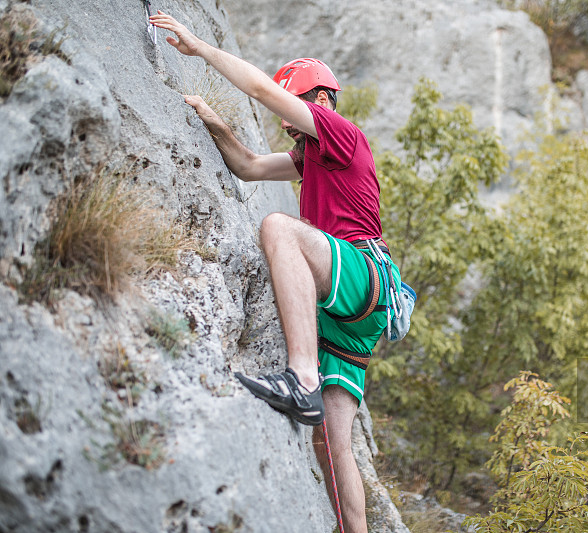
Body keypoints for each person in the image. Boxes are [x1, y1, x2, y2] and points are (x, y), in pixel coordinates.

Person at [149, 12, 401, 533]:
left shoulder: (341, 133)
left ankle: (301, 376)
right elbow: (248, 167)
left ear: (323, 101)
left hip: (361, 271)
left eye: (301, 109)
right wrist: (216, 125)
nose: (295, 124)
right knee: (332, 440)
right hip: (357, 307)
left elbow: (263, 90)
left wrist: (200, 49)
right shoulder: (312, 158)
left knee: (280, 228)